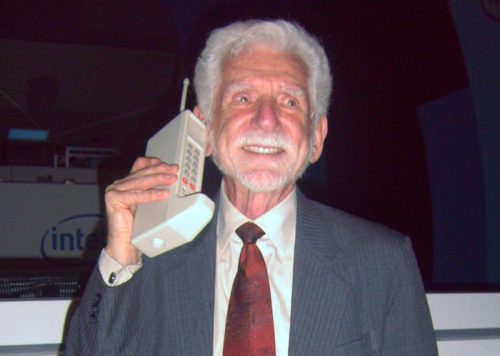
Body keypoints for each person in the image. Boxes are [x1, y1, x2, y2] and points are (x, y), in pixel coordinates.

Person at [66, 20, 437, 355]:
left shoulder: (382, 261)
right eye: (243, 98)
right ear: (205, 130)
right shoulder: (151, 259)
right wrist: (122, 254)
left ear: (316, 138)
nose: (266, 119)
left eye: (289, 102)